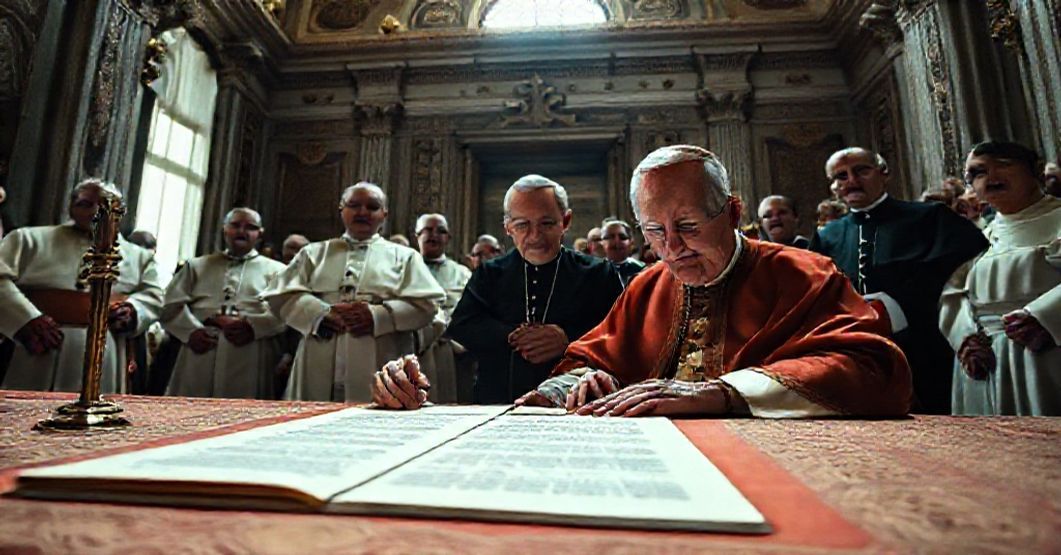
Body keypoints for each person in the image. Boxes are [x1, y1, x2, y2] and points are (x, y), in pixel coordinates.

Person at [373, 146, 911, 417]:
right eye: (655, 231)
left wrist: (719, 393)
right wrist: (564, 390)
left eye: (689, 227)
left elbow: (870, 366)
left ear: (732, 211)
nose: (672, 248)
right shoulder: (649, 285)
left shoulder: (801, 272)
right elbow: (594, 359)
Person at [810, 147, 988, 413]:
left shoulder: (930, 217)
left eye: (861, 170)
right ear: (833, 187)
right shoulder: (827, 236)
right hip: (859, 354)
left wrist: (892, 307)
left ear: (884, 173)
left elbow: (960, 273)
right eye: (841, 177)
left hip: (925, 347)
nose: (851, 181)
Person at [442, 174, 624, 404]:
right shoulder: (490, 273)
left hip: (579, 404)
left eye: (547, 223)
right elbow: (461, 326)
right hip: (498, 400)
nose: (535, 236)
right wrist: (511, 336)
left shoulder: (598, 273)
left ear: (565, 221)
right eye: (522, 225)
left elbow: (622, 333)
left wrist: (569, 338)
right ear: (508, 228)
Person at [260, 182, 445, 402]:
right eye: (354, 205)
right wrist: (319, 314)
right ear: (342, 210)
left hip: (381, 352)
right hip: (319, 351)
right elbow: (281, 295)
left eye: (372, 206)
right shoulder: (314, 253)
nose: (363, 212)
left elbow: (426, 305)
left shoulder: (405, 256)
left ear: (384, 214)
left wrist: (377, 316)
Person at [0, 178, 163, 393]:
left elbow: (153, 296)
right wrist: (26, 318)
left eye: (103, 205)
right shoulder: (27, 240)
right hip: (36, 346)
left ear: (119, 211)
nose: (95, 212)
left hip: (105, 352)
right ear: (71, 207)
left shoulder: (140, 258)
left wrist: (134, 310)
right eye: (85, 204)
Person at [940, 141, 1060, 415]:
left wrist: (1045, 317)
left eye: (1003, 165)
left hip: (1048, 351)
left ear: (1037, 171)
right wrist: (964, 338)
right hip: (985, 361)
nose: (990, 177)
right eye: (979, 172)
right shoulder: (977, 236)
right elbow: (954, 293)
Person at [162, 208, 287, 399]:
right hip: (201, 346)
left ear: (259, 234)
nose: (242, 232)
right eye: (235, 225)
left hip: (250, 350)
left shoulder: (278, 271)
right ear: (224, 229)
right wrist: (191, 332)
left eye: (250, 227)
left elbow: (286, 311)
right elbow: (169, 305)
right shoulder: (195, 266)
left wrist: (253, 326)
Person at [414, 212, 471, 402]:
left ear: (448, 238)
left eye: (440, 231)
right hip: (413, 345)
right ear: (417, 235)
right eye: (427, 230)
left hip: (451, 348)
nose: (434, 235)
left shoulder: (462, 273)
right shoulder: (404, 268)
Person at [601, 219, 645, 286]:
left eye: (622, 237)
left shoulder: (642, 269)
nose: (616, 242)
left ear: (631, 242)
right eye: (610, 237)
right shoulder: (596, 271)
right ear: (602, 243)